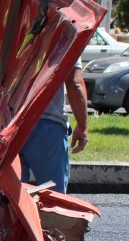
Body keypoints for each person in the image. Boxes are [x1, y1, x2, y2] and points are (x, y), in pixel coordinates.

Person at [20, 62, 88, 193]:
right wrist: (82, 126)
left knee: (9, 200)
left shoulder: (0, 40)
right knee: (53, 198)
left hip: (7, 125)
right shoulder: (65, 40)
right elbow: (75, 83)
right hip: (47, 124)